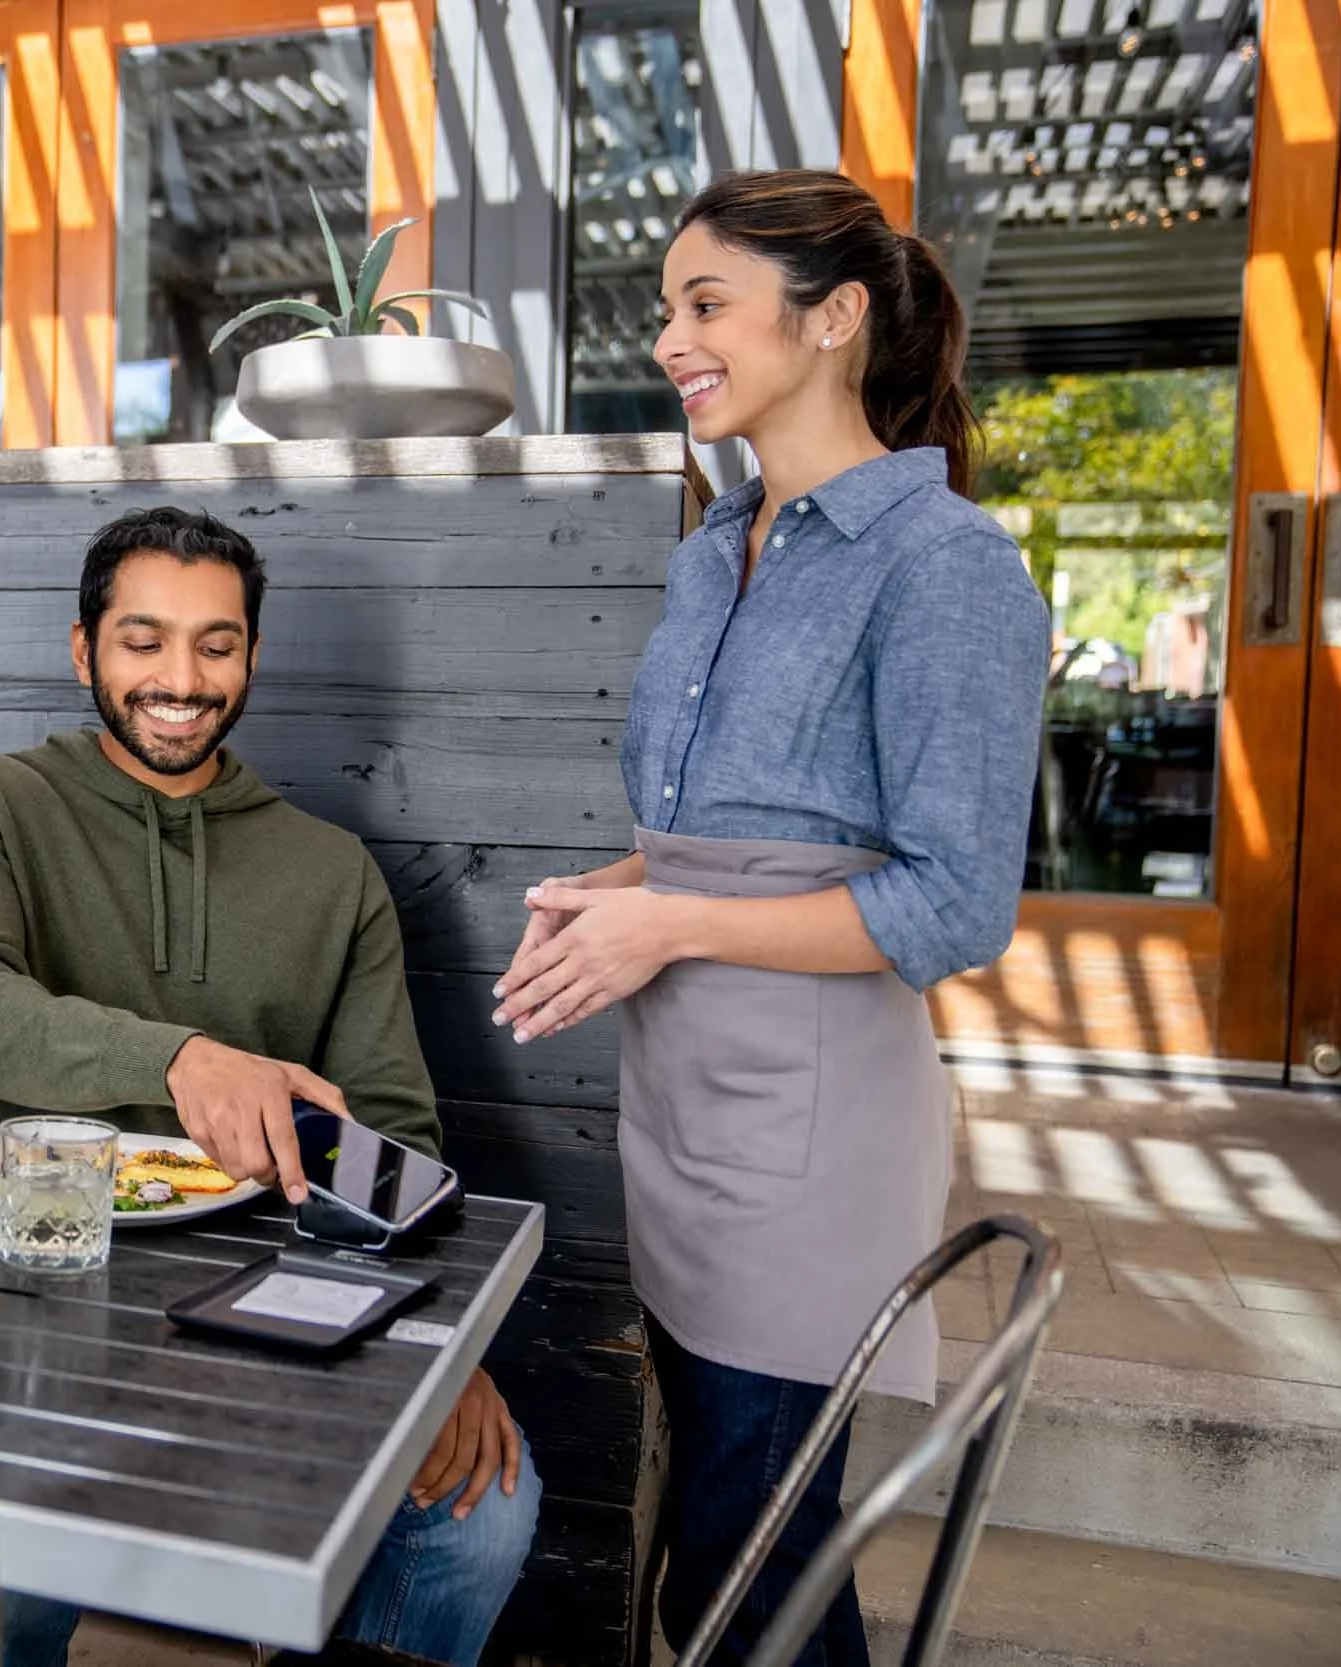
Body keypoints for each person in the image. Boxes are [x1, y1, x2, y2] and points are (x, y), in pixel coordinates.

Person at [493, 169, 1049, 1666]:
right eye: (668, 306)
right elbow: (724, 844)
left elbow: (950, 901)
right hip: (680, 1100)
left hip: (807, 1135)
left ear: (836, 317)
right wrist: (604, 902)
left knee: (750, 1584)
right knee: (734, 1546)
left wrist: (663, 925)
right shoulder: (711, 544)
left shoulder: (946, 571)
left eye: (705, 303)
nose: (670, 337)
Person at [0, 506, 542, 1667]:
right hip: (30, 1295)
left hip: (267, 1300)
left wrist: (438, 1347)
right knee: (6, 1537)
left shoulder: (331, 870)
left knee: (478, 1512)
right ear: (83, 648)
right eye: (143, 640)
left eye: (217, 643)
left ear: (250, 655)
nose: (181, 678)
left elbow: (392, 1132)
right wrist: (180, 1058)